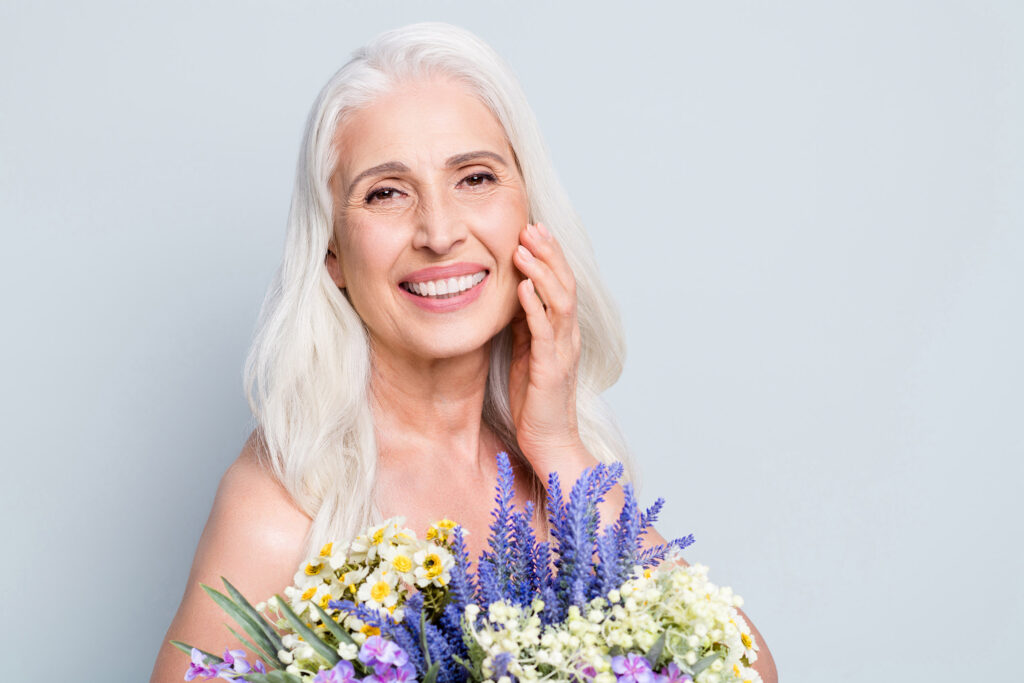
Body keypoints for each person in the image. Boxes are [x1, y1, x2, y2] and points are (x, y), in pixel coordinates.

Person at [150, 22, 777, 683]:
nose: (441, 232)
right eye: (386, 191)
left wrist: (559, 443)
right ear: (332, 249)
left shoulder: (559, 463)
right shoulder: (286, 503)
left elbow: (748, 671)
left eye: (475, 178)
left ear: (528, 215)